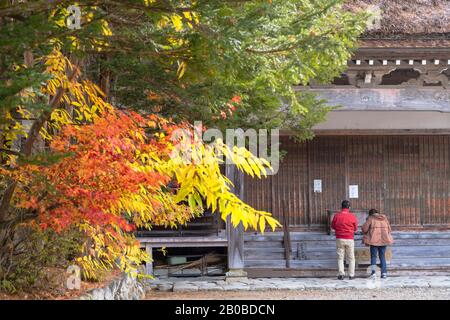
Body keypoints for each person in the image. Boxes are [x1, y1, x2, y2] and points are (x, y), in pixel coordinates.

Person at [362, 209, 394, 279]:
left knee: (373, 257)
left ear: (370, 214)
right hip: (383, 240)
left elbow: (364, 229)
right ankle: (384, 273)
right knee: (382, 257)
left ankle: (373, 273)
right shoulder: (384, 219)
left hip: (374, 241)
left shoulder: (371, 219)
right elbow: (390, 229)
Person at [331, 200, 358, 280]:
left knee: (340, 257)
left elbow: (333, 226)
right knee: (351, 258)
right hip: (349, 238)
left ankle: (341, 274)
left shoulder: (337, 216)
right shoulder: (352, 216)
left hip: (339, 238)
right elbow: (355, 228)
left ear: (341, 207)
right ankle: (351, 275)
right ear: (349, 207)